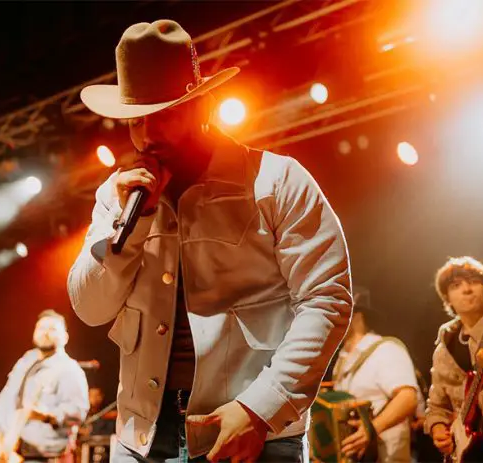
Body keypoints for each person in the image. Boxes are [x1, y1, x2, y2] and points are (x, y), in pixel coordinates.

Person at [68, 19, 353, 462]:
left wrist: (260, 410)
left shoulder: (276, 181)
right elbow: (89, 308)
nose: (148, 135)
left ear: (202, 106)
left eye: (163, 114)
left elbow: (326, 298)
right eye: (136, 120)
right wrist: (131, 227)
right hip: (140, 440)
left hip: (252, 434)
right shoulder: (117, 196)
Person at [424, 256, 483, 461]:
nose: (466, 289)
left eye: (474, 282)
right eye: (456, 285)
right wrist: (438, 428)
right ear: (447, 298)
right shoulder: (444, 347)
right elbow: (437, 406)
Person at [0, 310, 90, 462]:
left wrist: (47, 415)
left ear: (65, 337)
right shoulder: (25, 362)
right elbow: (6, 399)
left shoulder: (69, 369)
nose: (46, 333)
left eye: (52, 329)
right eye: (41, 328)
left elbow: (78, 411)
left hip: (44, 456)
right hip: (13, 451)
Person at [332, 288, 418, 462]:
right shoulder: (341, 361)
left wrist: (370, 429)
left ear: (355, 314)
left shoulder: (385, 349)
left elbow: (408, 398)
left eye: (334, 311)